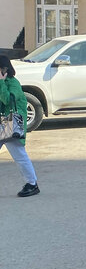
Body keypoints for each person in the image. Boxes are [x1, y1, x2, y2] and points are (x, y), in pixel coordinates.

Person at [0, 55, 40, 197]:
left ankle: (32, 184)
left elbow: (7, 99)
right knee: (20, 155)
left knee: (19, 156)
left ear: (4, 69)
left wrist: (1, 82)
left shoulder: (13, 83)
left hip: (11, 125)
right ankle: (31, 183)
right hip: (2, 123)